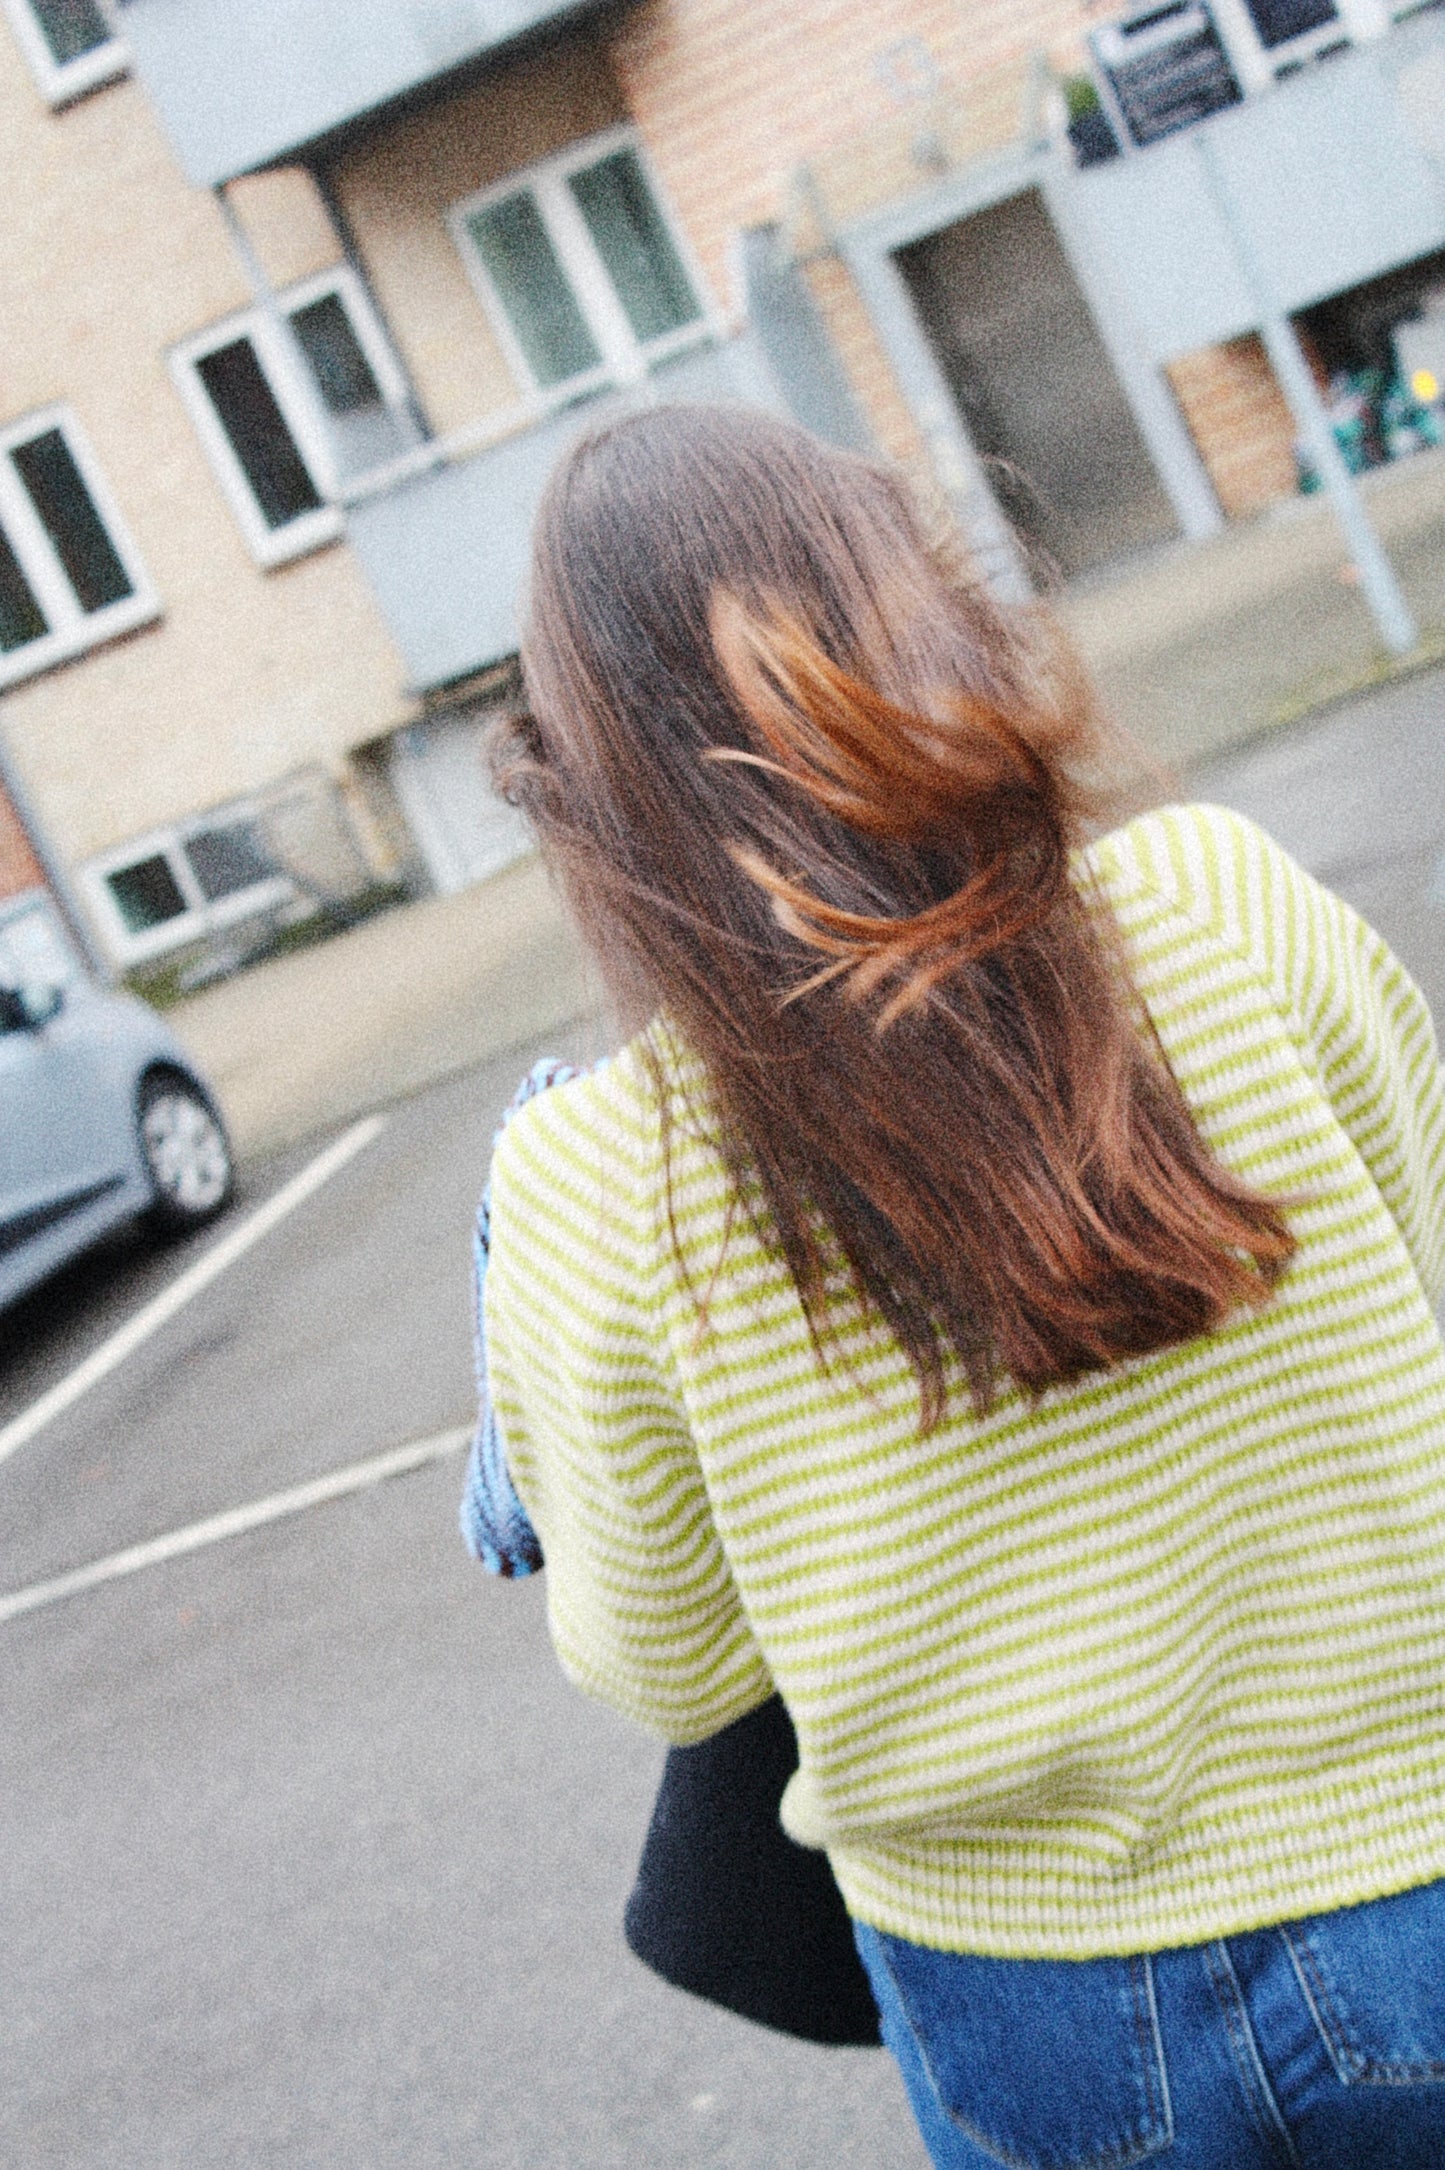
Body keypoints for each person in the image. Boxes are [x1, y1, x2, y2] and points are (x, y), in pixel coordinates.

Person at [464, 402, 1445, 2168]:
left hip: (1031, 1991)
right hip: (1417, 1856)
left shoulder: (594, 1174)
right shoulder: (1218, 903)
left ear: (590, 780)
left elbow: (668, 1665)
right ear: (914, 609)